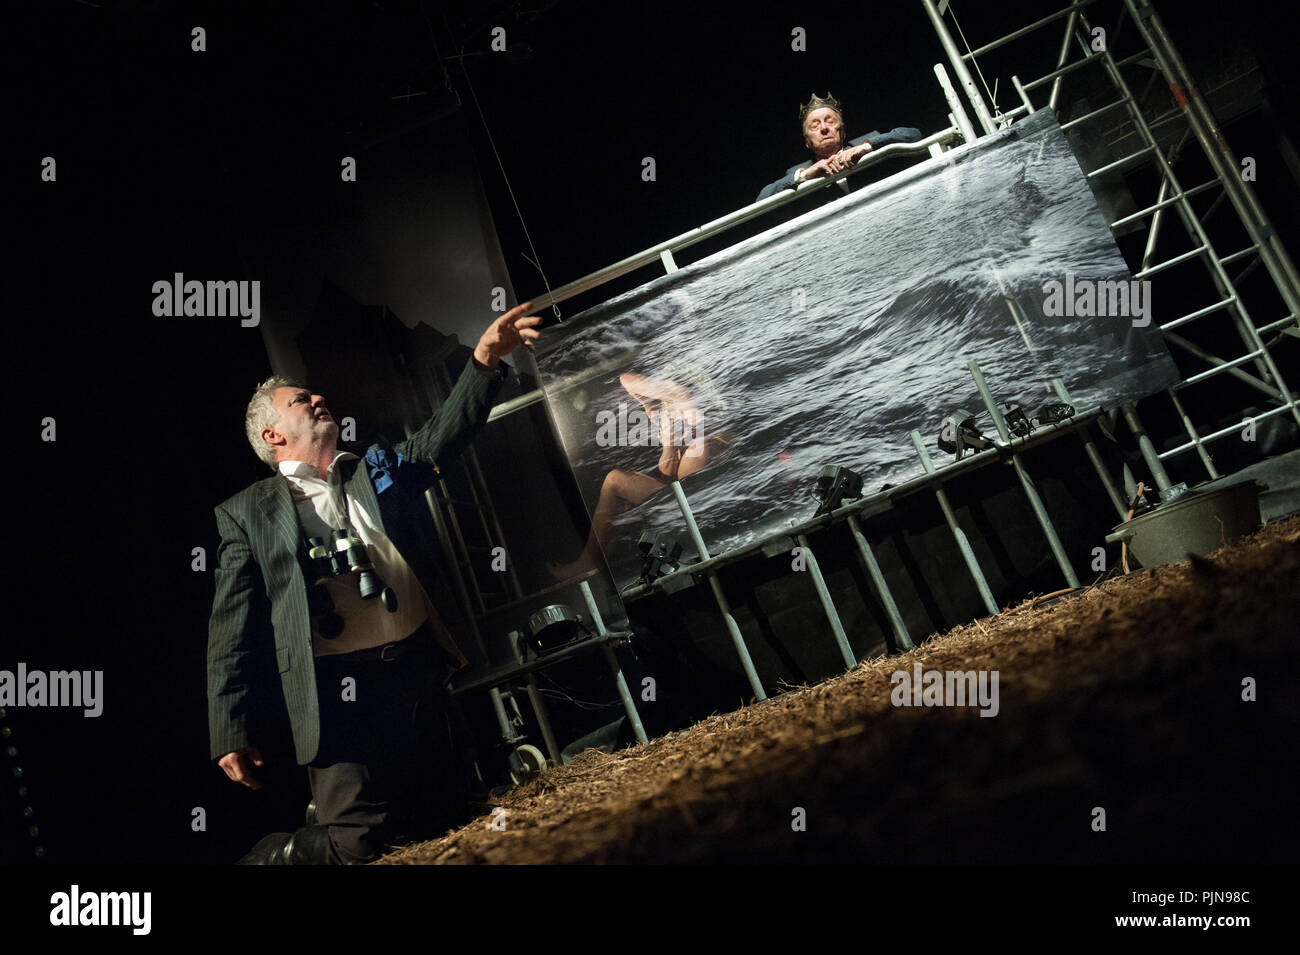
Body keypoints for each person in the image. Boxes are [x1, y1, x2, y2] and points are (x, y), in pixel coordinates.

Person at [208, 301, 541, 864]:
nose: (317, 398)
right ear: (272, 433)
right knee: (361, 846)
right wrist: (228, 728)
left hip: (414, 667)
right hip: (337, 695)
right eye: (299, 400)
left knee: (456, 814)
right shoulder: (247, 513)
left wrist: (484, 359)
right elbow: (229, 628)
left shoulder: (371, 470)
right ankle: (282, 854)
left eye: (314, 394)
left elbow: (440, 439)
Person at [548, 368, 731, 580]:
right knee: (618, 492)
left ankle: (590, 562)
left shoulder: (697, 440)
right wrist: (655, 411)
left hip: (695, 514)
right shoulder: (686, 433)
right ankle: (595, 561)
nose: (653, 420)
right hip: (688, 501)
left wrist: (672, 410)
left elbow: (682, 492)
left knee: (615, 481)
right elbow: (625, 379)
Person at [756, 92, 923, 202]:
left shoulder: (869, 140)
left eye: (830, 121)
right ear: (807, 142)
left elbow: (913, 135)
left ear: (842, 132)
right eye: (814, 126)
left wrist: (867, 147)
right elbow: (761, 200)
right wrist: (805, 176)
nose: (823, 128)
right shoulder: (799, 172)